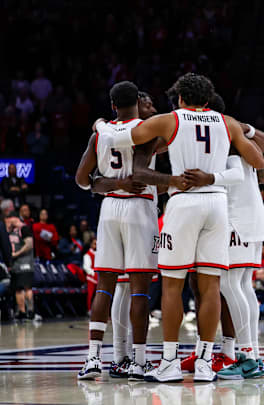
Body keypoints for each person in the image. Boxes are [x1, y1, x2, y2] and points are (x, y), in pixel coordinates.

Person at [94, 73, 264, 383]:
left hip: (184, 203)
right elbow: (257, 158)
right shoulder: (226, 121)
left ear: (181, 99)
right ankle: (203, 362)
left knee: (173, 283)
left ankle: (170, 362)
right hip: (217, 204)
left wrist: (100, 126)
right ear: (208, 100)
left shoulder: (169, 120)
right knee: (210, 285)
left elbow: (117, 139)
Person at [177, 107, 264, 379]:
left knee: (232, 285)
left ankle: (247, 356)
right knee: (243, 286)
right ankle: (252, 354)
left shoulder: (229, 145)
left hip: (237, 221)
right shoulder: (242, 144)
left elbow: (246, 173)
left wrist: (209, 178)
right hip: (251, 218)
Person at [75, 81, 160, 381]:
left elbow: (82, 179)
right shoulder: (147, 129)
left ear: (112, 105)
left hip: (109, 208)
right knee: (139, 290)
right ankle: (138, 361)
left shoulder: (100, 134)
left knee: (104, 286)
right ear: (138, 100)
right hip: (139, 207)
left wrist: (112, 184)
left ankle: (92, 358)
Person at [5, 212, 34, 321]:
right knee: (18, 289)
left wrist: (16, 254)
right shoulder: (12, 231)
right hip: (16, 264)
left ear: (13, 218)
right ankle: (22, 312)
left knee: (26, 288)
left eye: (8, 220)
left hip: (25, 263)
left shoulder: (24, 229)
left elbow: (29, 245)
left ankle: (30, 311)